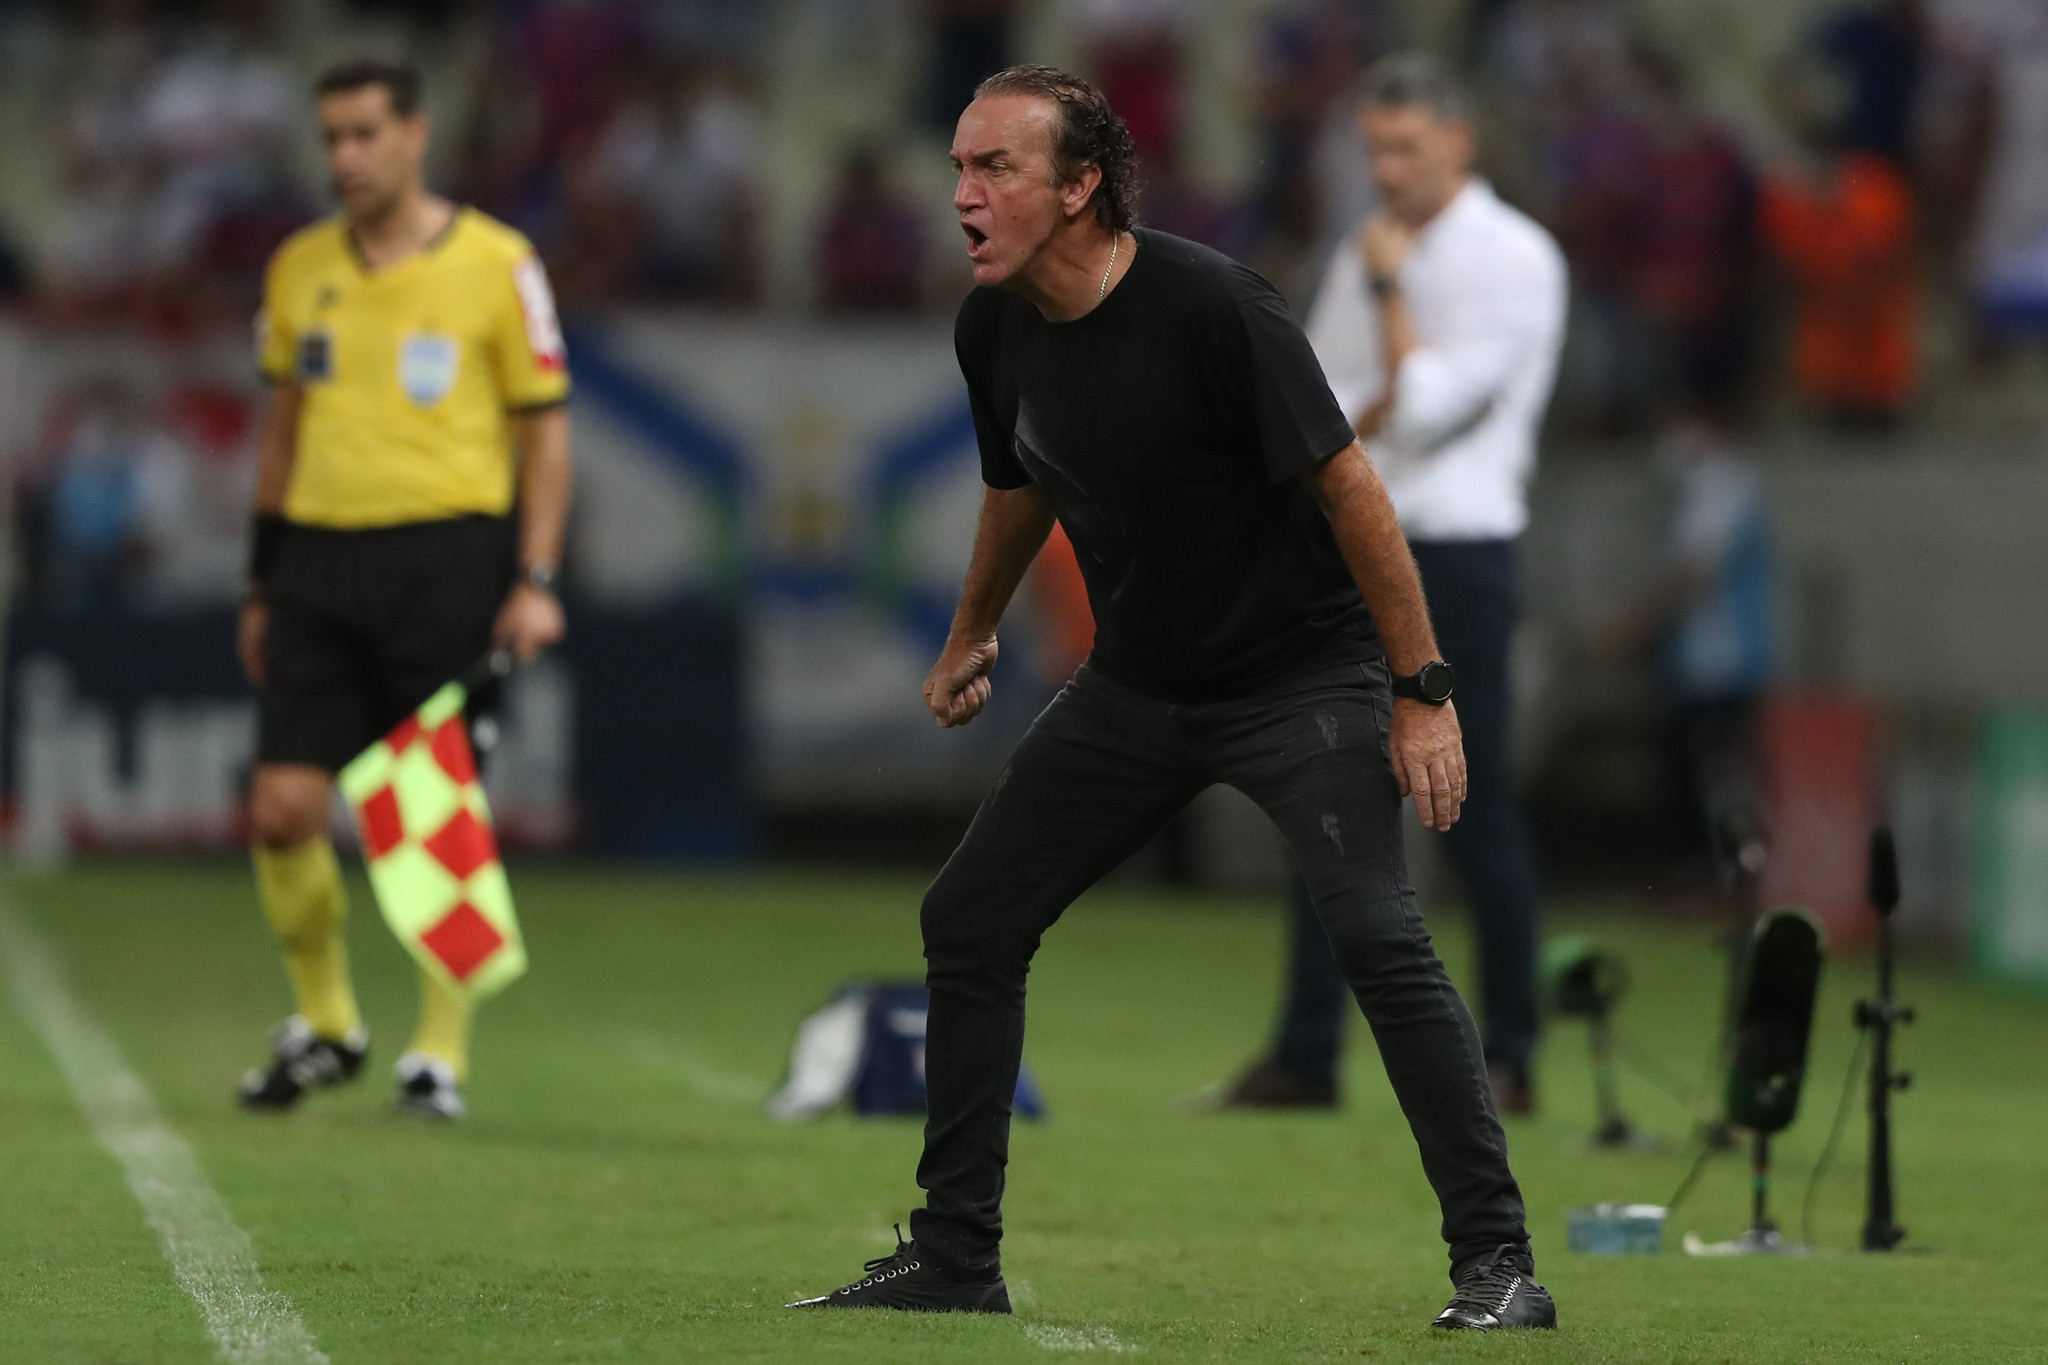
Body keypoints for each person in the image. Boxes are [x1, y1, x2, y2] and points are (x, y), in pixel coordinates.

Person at [790, 64, 1554, 1333]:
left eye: (994, 168)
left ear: (1079, 185)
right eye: (958, 168)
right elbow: (1018, 485)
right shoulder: (992, 328)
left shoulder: (1214, 306)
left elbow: (1351, 488)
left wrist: (1420, 688)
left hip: (1301, 678)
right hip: (1136, 689)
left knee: (1376, 934)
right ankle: (954, 1257)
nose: (962, 195)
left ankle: (1499, 1265)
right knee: (970, 917)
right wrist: (972, 629)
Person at [1213, 55, 1565, 1117]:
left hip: (1455, 550)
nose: (1387, 170)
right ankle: (1305, 1055)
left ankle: (1510, 1054)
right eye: (1374, 149)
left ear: (1460, 143)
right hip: (1355, 547)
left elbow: (1416, 406)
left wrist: (1383, 291)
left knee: (1476, 803)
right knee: (1322, 791)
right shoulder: (1366, 245)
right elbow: (1314, 398)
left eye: (1406, 148)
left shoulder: (1512, 257)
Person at [234, 57, 573, 1121]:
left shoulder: (498, 263)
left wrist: (535, 577)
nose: (346, 156)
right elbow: (282, 433)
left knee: (430, 810)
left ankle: (436, 1054)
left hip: (447, 559)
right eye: (332, 137)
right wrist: (261, 579)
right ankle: (329, 1024)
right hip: (316, 558)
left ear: (415, 134)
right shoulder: (299, 267)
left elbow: (545, 432)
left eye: (365, 133)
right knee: (283, 806)